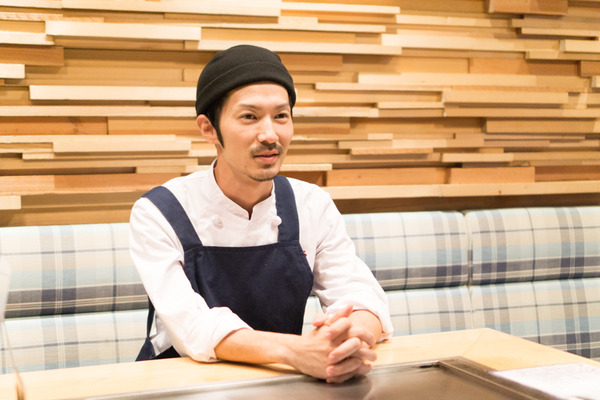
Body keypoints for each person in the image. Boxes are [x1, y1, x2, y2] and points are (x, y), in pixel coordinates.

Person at [129, 44, 393, 383]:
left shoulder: (312, 204)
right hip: (180, 383)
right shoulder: (160, 211)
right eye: (249, 117)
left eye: (281, 116)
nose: (270, 135)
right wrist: (294, 351)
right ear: (208, 128)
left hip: (282, 380)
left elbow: (358, 292)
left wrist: (350, 338)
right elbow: (191, 325)